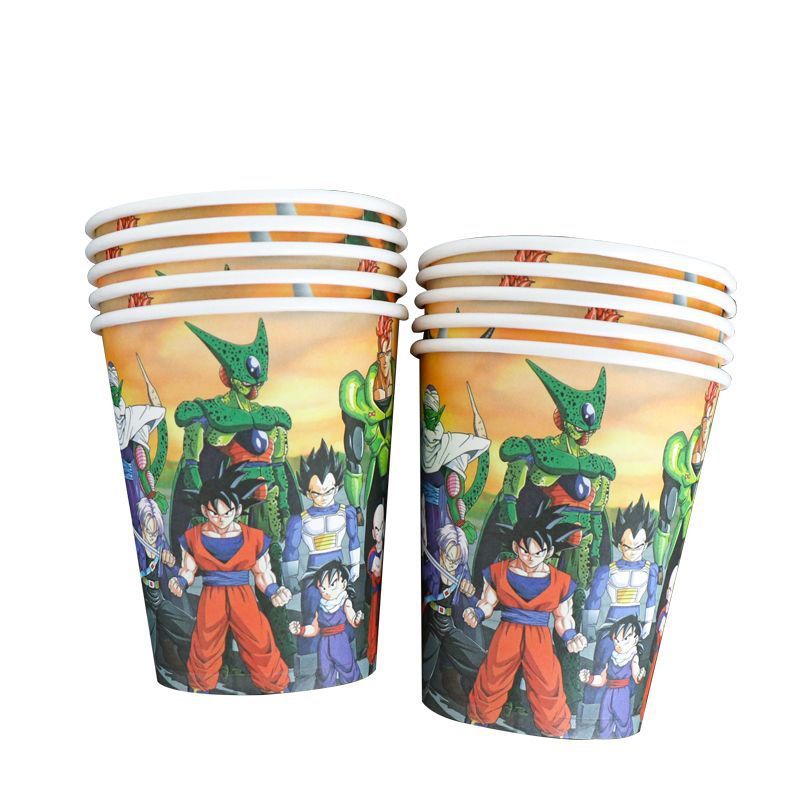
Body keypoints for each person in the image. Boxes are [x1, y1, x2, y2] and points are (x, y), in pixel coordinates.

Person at [169, 467, 291, 693]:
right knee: (205, 644)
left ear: (238, 510)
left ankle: (275, 687)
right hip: (211, 596)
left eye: (227, 513)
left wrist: (274, 590)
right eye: (215, 513)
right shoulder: (194, 537)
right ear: (205, 510)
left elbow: (262, 573)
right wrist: (180, 582)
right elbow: (188, 569)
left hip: (242, 596)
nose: (221, 519)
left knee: (259, 640)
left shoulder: (253, 537)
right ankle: (199, 688)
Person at [289, 561, 364, 688]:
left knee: (348, 670)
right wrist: (300, 630)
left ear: (344, 584)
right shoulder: (321, 606)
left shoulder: (344, 601)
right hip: (324, 645)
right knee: (324, 674)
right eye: (322, 587)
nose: (327, 591)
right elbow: (314, 629)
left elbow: (352, 618)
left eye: (332, 585)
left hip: (340, 642)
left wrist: (356, 619)